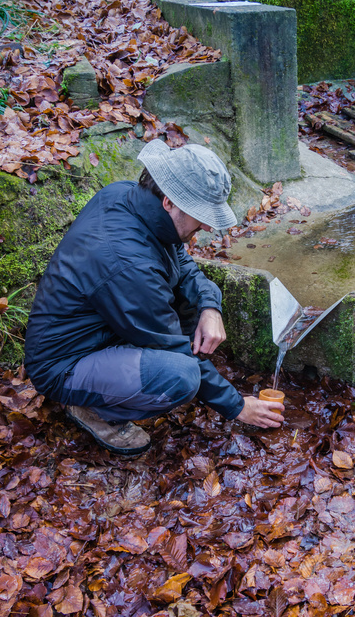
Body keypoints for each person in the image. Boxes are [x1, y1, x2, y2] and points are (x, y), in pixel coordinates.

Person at [24, 141, 284, 456]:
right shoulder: (126, 262)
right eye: (199, 214)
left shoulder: (129, 198)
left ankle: (110, 384)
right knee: (181, 377)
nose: (205, 226)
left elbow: (183, 263)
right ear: (169, 202)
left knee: (192, 300)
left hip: (105, 329)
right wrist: (237, 406)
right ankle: (91, 408)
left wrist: (209, 305)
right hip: (65, 364)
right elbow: (173, 348)